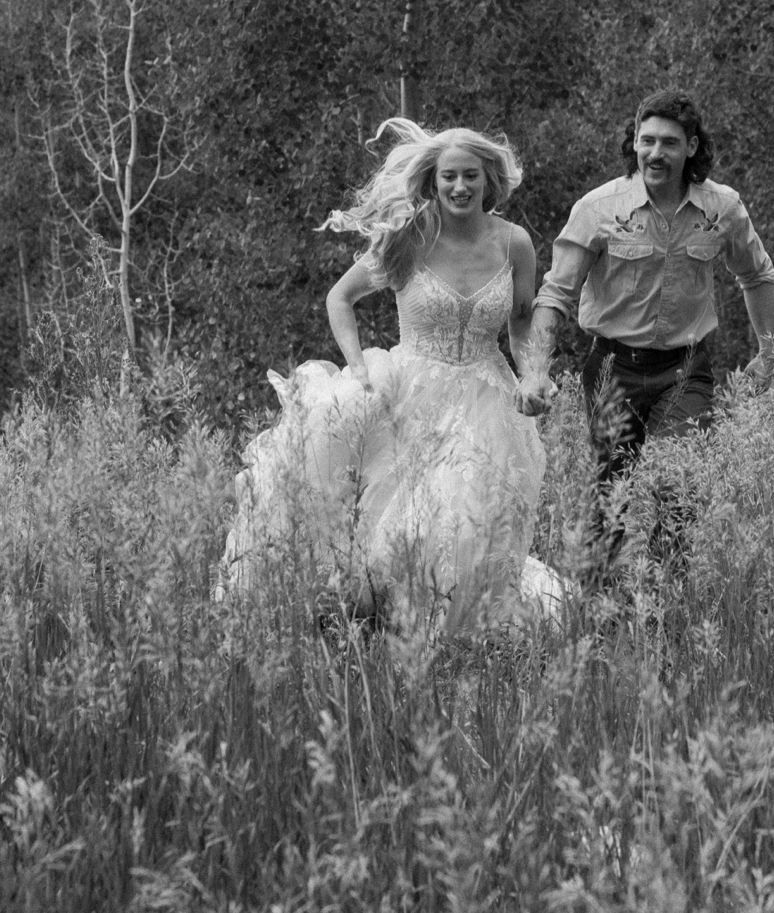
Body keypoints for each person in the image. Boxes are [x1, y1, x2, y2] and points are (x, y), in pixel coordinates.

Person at [216, 119, 570, 633]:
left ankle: (451, 624)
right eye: (449, 176)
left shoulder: (514, 243)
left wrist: (532, 375)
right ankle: (381, 613)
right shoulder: (410, 235)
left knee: (465, 514)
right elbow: (341, 297)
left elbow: (520, 326)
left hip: (486, 393)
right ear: (433, 179)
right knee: (401, 515)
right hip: (410, 388)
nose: (460, 187)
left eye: (471, 175)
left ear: (489, 179)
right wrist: (358, 368)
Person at [516, 90, 774, 580]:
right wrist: (533, 370)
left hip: (686, 369)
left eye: (670, 143)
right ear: (633, 145)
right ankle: (600, 609)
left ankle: (664, 601)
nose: (656, 153)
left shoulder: (721, 208)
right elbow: (555, 295)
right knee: (609, 494)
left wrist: (769, 351)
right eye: (647, 141)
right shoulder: (599, 208)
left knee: (679, 485)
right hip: (612, 369)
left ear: (692, 147)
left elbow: (758, 275)